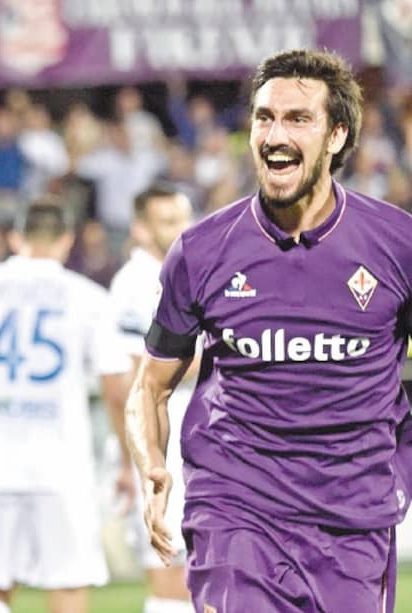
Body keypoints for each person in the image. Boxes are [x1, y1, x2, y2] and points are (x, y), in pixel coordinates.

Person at [126, 48, 412, 613]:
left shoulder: (397, 244)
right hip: (236, 506)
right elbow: (150, 386)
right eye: (264, 117)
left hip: (353, 520)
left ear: (336, 135)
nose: (274, 134)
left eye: (297, 118)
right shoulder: (202, 251)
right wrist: (151, 465)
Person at [0, 201, 132, 613]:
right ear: (67, 241)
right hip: (61, 461)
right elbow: (117, 391)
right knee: (67, 582)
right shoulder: (89, 297)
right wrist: (127, 462)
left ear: (16, 237)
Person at [109, 185, 194, 613]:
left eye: (183, 218)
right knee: (170, 580)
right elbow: (138, 372)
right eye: (168, 222)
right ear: (141, 229)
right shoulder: (136, 283)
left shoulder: (186, 273)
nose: (182, 229)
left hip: (196, 435)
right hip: (161, 439)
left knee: (201, 578)